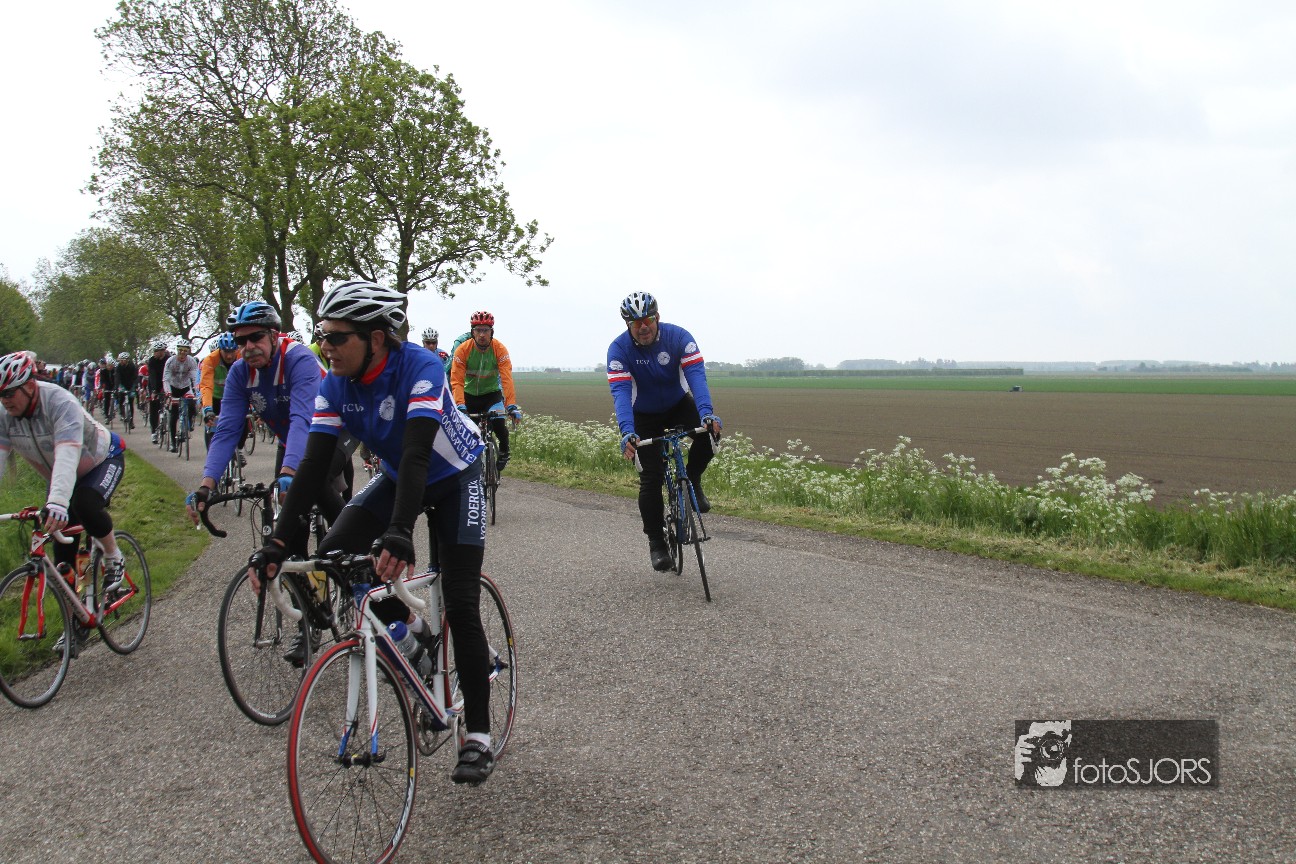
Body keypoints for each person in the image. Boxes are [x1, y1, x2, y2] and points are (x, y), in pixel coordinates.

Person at [247, 279, 496, 784]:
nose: (326, 347)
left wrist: (400, 531)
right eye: (322, 336)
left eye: (337, 337)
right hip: (402, 476)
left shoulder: (420, 367)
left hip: (455, 476)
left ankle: (478, 736)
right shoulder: (335, 384)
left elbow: (418, 452)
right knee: (336, 553)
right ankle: (414, 635)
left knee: (461, 602)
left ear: (376, 339)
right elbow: (313, 467)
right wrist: (276, 543)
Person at [185, 302, 354, 661]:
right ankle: (310, 617)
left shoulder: (298, 359)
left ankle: (356, 550)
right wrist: (206, 485)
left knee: (311, 483)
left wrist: (290, 476)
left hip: (334, 430)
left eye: (256, 338)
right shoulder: (239, 374)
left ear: (274, 335)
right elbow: (228, 429)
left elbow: (303, 419)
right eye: (240, 341)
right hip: (291, 441)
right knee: (288, 533)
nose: (248, 347)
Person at [0, 351, 129, 656]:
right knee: (62, 558)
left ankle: (114, 555)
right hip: (61, 475)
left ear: (29, 385)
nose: (4, 400)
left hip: (101, 460)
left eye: (8, 393)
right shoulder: (4, 415)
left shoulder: (60, 402)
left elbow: (68, 454)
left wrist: (58, 501)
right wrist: (56, 502)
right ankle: (76, 624)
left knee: (84, 503)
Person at [607, 291, 722, 571]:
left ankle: (692, 479)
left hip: (677, 404)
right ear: (628, 325)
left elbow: (696, 376)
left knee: (709, 434)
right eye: (636, 323)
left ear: (657, 317)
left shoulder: (679, 337)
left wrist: (706, 413)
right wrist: (627, 432)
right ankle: (657, 543)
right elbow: (621, 393)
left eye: (647, 320)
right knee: (651, 478)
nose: (643, 327)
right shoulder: (619, 350)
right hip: (643, 415)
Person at [450, 311, 522, 473]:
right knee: (468, 434)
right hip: (469, 396)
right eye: (478, 330)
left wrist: (511, 405)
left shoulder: (499, 349)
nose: (482, 334)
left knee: (499, 423)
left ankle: (504, 451)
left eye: (486, 330)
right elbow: (457, 381)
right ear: (472, 332)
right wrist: (460, 405)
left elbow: (507, 379)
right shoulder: (462, 350)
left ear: (492, 332)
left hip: (491, 395)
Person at [199, 332, 243, 453]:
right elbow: (206, 386)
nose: (229, 356)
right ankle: (212, 456)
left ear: (236, 350)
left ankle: (238, 451)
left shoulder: (241, 358)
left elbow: (249, 383)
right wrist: (208, 409)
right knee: (211, 426)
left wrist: (253, 407)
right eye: (226, 352)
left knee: (244, 422)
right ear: (220, 350)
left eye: (232, 352)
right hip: (215, 396)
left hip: (233, 397)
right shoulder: (210, 360)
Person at [162, 338, 200, 451]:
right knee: (174, 415)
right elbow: (166, 379)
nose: (182, 353)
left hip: (185, 387)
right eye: (180, 350)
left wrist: (197, 392)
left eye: (185, 350)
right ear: (177, 350)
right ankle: (173, 443)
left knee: (192, 404)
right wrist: (168, 393)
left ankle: (189, 422)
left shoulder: (191, 361)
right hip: (173, 388)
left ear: (188, 351)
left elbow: (195, 379)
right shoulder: (170, 361)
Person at [145, 340, 170, 443]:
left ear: (163, 351)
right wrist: (154, 391)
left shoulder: (168, 360)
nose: (155, 353)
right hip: (154, 385)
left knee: (170, 405)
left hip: (166, 384)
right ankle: (154, 432)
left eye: (158, 351)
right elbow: (153, 376)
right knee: (154, 408)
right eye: (155, 351)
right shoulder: (152, 361)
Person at [114, 351, 139, 430]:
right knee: (121, 398)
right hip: (122, 384)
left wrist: (135, 386)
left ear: (127, 360)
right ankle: (122, 413)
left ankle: (131, 421)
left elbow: (136, 377)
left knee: (131, 403)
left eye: (122, 360)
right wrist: (116, 387)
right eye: (120, 360)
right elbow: (117, 377)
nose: (121, 362)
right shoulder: (118, 367)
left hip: (131, 384)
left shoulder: (132, 366)